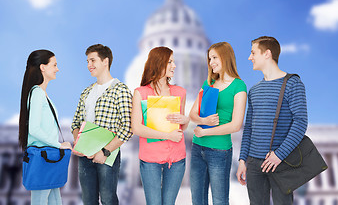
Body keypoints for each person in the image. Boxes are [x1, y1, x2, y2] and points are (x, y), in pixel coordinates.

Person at [236, 36, 308, 204]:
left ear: (267, 53)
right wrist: (242, 160)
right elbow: (249, 129)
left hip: (280, 163)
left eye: (253, 52)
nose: (249, 57)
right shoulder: (254, 90)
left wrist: (279, 155)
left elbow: (300, 122)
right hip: (253, 164)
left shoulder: (293, 84)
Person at [71, 44, 132, 205]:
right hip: (85, 157)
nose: (89, 65)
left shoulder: (121, 90)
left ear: (105, 61)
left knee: (108, 199)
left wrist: (104, 152)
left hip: (107, 155)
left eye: (93, 60)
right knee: (88, 200)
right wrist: (80, 145)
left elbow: (128, 127)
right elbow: (75, 123)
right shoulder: (86, 92)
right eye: (87, 61)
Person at [189, 42, 247, 205]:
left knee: (220, 200)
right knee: (198, 200)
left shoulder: (238, 86)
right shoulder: (208, 83)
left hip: (220, 152)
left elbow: (236, 125)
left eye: (214, 57)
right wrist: (203, 121)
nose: (211, 62)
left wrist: (205, 131)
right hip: (197, 148)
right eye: (209, 59)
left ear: (226, 57)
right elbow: (192, 114)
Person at [131, 46, 190, 205]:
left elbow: (181, 127)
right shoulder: (141, 93)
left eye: (174, 61)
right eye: (170, 62)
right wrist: (167, 136)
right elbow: (136, 128)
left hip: (177, 158)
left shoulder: (180, 92)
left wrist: (185, 120)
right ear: (159, 63)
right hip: (150, 159)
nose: (174, 66)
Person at [19, 50, 72, 205]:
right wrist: (59, 144)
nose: (57, 69)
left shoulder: (42, 93)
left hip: (47, 158)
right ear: (43, 67)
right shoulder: (37, 93)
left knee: (55, 201)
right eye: (54, 65)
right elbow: (34, 129)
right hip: (43, 158)